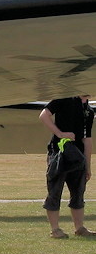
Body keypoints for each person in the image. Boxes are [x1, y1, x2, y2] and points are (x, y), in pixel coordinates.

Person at [38, 95, 93, 239]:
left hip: (78, 157)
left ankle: (79, 228)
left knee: (78, 193)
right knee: (55, 191)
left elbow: (87, 140)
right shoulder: (64, 98)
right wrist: (60, 134)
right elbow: (44, 115)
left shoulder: (89, 111)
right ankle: (55, 230)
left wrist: (88, 166)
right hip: (59, 154)